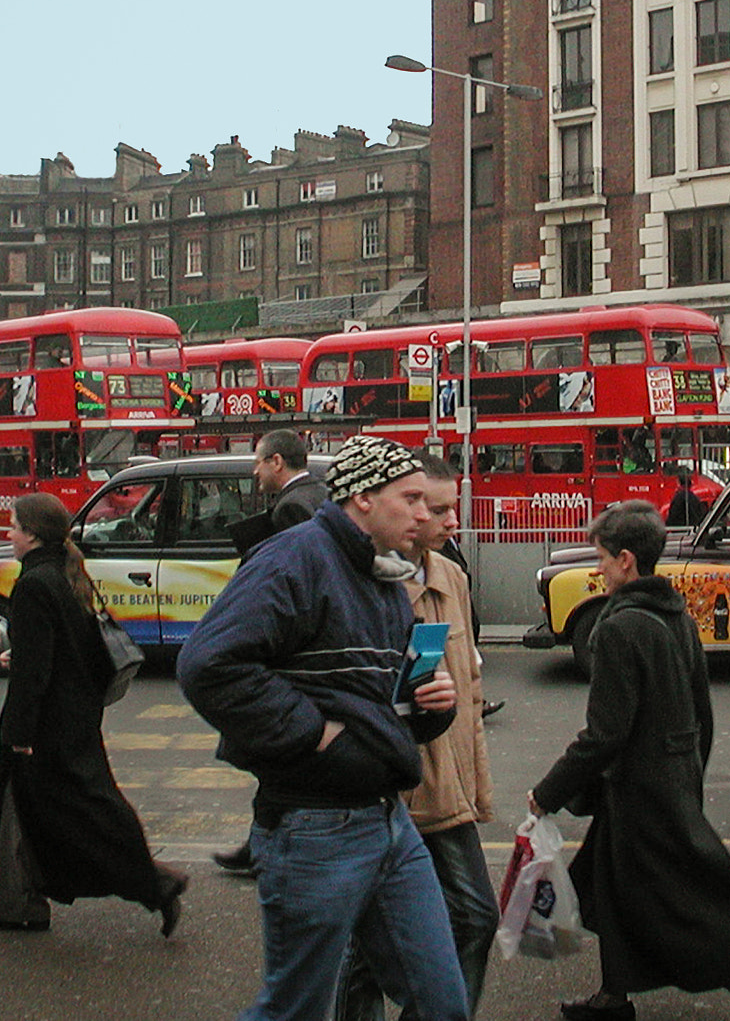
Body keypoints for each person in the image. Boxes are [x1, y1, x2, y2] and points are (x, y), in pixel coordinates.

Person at [178, 434, 468, 1021]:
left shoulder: (384, 576)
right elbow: (208, 665)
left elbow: (373, 700)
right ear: (362, 498)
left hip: (388, 820)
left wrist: (429, 705)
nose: (424, 513)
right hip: (314, 828)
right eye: (410, 498)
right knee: (297, 1009)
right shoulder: (296, 559)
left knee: (442, 1004)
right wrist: (317, 735)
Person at [529, 502, 730, 1021]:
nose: (597, 568)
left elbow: (604, 734)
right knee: (612, 886)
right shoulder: (677, 617)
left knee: (674, 899)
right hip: (668, 779)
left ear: (625, 561)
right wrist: (690, 772)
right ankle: (613, 997)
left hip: (639, 789)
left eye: (602, 558)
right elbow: (701, 711)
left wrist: (548, 793)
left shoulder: (619, 629)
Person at [0, 492, 187, 936]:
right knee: (81, 808)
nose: (8, 534)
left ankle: (154, 884)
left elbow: (34, 674)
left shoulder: (33, 585)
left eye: (13, 526)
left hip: (46, 726)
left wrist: (18, 733)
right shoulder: (67, 574)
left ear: (32, 535)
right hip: (76, 714)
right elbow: (73, 648)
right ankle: (21, 905)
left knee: (78, 818)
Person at [339, 453, 497, 1021]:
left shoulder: (450, 574)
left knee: (471, 919)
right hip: (388, 787)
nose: (453, 521)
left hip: (444, 783)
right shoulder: (360, 582)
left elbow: (471, 685)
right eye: (439, 508)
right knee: (366, 945)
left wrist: (474, 779)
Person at [217, 427, 333, 875]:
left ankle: (266, 848)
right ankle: (260, 845)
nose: (255, 470)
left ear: (278, 463)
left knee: (278, 759)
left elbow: (295, 582)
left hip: (295, 657)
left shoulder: (291, 508)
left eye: (259, 461)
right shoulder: (318, 492)